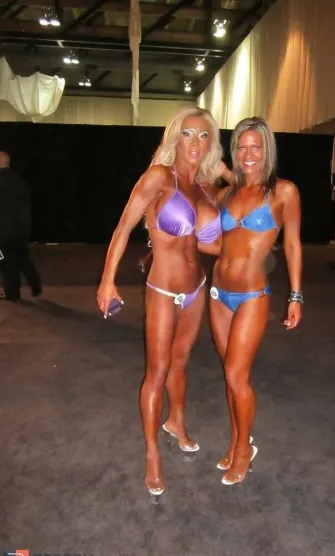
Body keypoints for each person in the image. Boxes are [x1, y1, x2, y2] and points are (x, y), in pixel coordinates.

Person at [96, 107, 223, 498]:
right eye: (188, 134)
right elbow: (123, 228)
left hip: (197, 287)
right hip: (164, 289)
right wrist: (107, 281)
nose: (195, 143)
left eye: (204, 136)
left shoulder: (205, 186)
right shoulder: (158, 177)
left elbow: (211, 242)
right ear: (174, 137)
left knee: (181, 364)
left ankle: (176, 422)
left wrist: (225, 171)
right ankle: (152, 453)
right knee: (158, 370)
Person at [209, 117, 303, 485]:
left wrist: (296, 295)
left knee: (237, 374)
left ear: (267, 150)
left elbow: (292, 245)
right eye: (242, 147)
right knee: (229, 375)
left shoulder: (283, 192)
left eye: (256, 147)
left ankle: (245, 451)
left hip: (252, 294)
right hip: (218, 294)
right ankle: (237, 443)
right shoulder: (225, 195)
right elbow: (216, 243)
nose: (248, 154)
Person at [0, 151, 42, 301]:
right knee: (22, 259)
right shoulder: (19, 181)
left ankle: (12, 293)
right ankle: (35, 284)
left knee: (6, 262)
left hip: (4, 231)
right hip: (21, 230)